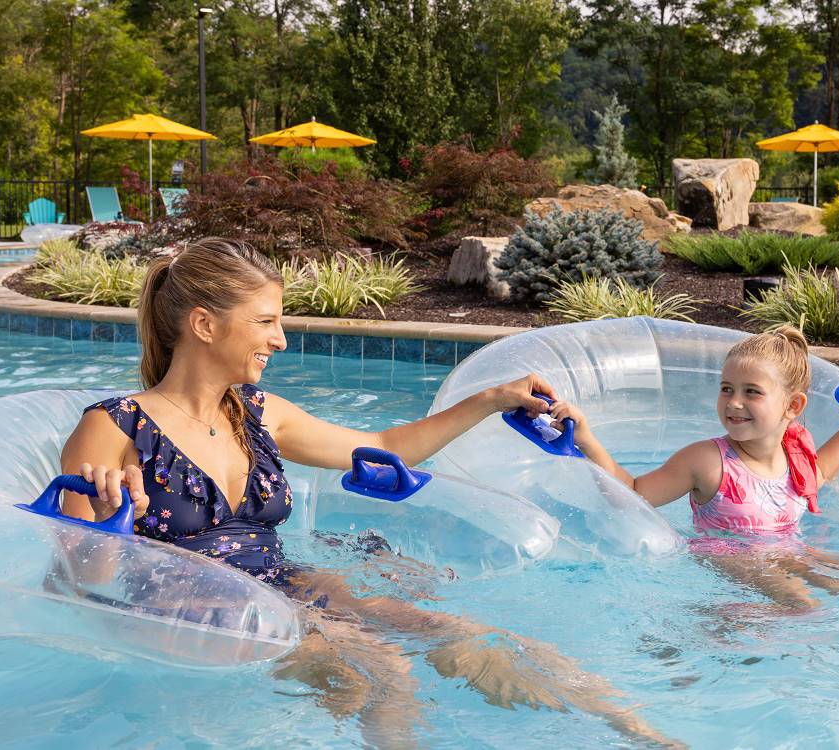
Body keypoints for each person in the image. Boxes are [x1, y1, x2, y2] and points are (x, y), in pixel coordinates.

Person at [59, 238, 677, 749]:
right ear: (204, 325)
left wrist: (491, 400)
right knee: (384, 668)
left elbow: (383, 443)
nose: (280, 340)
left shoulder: (259, 413)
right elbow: (77, 574)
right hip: (188, 605)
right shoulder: (112, 427)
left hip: (279, 582)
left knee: (465, 634)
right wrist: (114, 521)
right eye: (267, 322)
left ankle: (643, 734)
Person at [550, 326, 839, 682]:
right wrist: (586, 437)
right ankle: (703, 635)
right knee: (806, 607)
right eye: (727, 389)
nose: (735, 402)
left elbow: (824, 470)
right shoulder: (707, 460)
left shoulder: (794, 455)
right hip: (730, 558)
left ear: (793, 406)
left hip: (790, 552)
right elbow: (635, 493)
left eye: (752, 391)